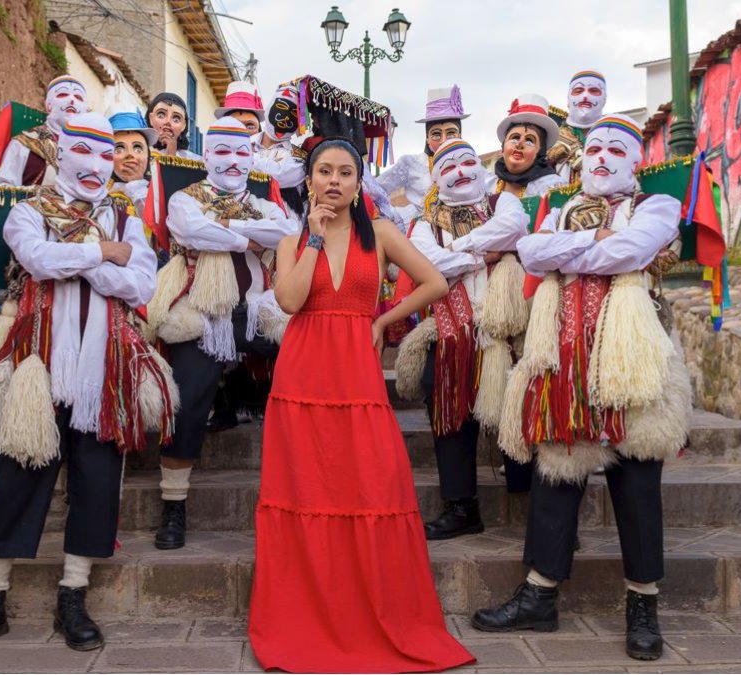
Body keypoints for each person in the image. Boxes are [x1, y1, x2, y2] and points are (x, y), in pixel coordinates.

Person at [0, 112, 174, 658]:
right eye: (83, 152)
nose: (95, 165)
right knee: (17, 472)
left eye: (105, 154)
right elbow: (37, 260)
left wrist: (85, 262)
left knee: (95, 476)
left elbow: (140, 282)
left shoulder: (124, 215)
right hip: (36, 368)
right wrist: (100, 254)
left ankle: (74, 594)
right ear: (62, 154)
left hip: (101, 370)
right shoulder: (27, 209)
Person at [248, 137, 474, 673]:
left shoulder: (385, 234)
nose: (334, 180)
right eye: (324, 171)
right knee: (305, 491)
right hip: (302, 376)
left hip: (357, 372)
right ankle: (307, 616)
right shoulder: (289, 241)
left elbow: (435, 281)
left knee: (373, 482)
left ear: (357, 182)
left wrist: (381, 320)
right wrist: (314, 240)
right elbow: (290, 301)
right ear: (309, 180)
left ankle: (369, 614)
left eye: (345, 172)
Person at [470, 114, 690, 662]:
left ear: (636, 162)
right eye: (594, 147)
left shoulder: (656, 206)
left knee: (638, 483)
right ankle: (539, 596)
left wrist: (570, 249)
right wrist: (594, 237)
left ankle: (644, 606)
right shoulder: (559, 207)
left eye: (617, 149)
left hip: (632, 363)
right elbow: (533, 253)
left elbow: (632, 253)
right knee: (557, 473)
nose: (601, 156)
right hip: (564, 358)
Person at [140, 117, 298, 550]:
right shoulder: (183, 199)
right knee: (189, 400)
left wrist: (227, 232)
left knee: (305, 368)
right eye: (223, 151)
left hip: (259, 310)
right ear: (207, 155)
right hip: (202, 311)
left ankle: (306, 487)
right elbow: (190, 230)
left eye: (241, 151)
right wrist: (248, 237)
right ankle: (174, 503)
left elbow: (287, 234)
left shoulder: (267, 203)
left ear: (252, 156)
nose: (232, 160)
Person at [394, 139, 530, 540]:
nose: (461, 170)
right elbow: (425, 265)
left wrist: (456, 248)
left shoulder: (502, 201)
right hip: (449, 330)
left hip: (507, 330)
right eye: (449, 166)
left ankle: (529, 499)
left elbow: (515, 230)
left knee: (516, 409)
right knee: (447, 405)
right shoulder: (422, 223)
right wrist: (480, 256)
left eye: (468, 161)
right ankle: (460, 506)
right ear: (437, 178)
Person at [375, 86, 470, 226]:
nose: (444, 140)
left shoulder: (471, 166)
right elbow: (376, 189)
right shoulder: (412, 164)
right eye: (436, 134)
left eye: (451, 133)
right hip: (420, 238)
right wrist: (397, 217)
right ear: (427, 139)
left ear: (460, 136)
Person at [0, 75, 87, 187]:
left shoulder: (93, 151)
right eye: (63, 94)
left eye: (78, 97)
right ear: (49, 106)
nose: (72, 100)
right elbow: (1, 188)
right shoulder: (25, 142)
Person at [487, 93, 565, 199]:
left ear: (540, 152)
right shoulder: (485, 184)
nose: (520, 144)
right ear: (503, 147)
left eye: (529, 141)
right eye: (514, 138)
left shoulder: (554, 189)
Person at [547, 71, 608, 184]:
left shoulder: (617, 136)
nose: (585, 96)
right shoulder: (551, 139)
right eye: (578, 91)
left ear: (604, 99)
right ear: (568, 101)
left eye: (594, 91)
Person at [107, 110, 158, 216]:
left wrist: (136, 185)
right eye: (119, 149)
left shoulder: (160, 192)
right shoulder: (98, 193)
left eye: (138, 149)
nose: (130, 155)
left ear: (147, 155)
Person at [146, 92, 200, 160]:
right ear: (151, 118)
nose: (168, 122)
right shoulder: (141, 154)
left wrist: (171, 156)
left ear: (183, 126)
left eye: (176, 119)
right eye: (161, 115)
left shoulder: (193, 161)